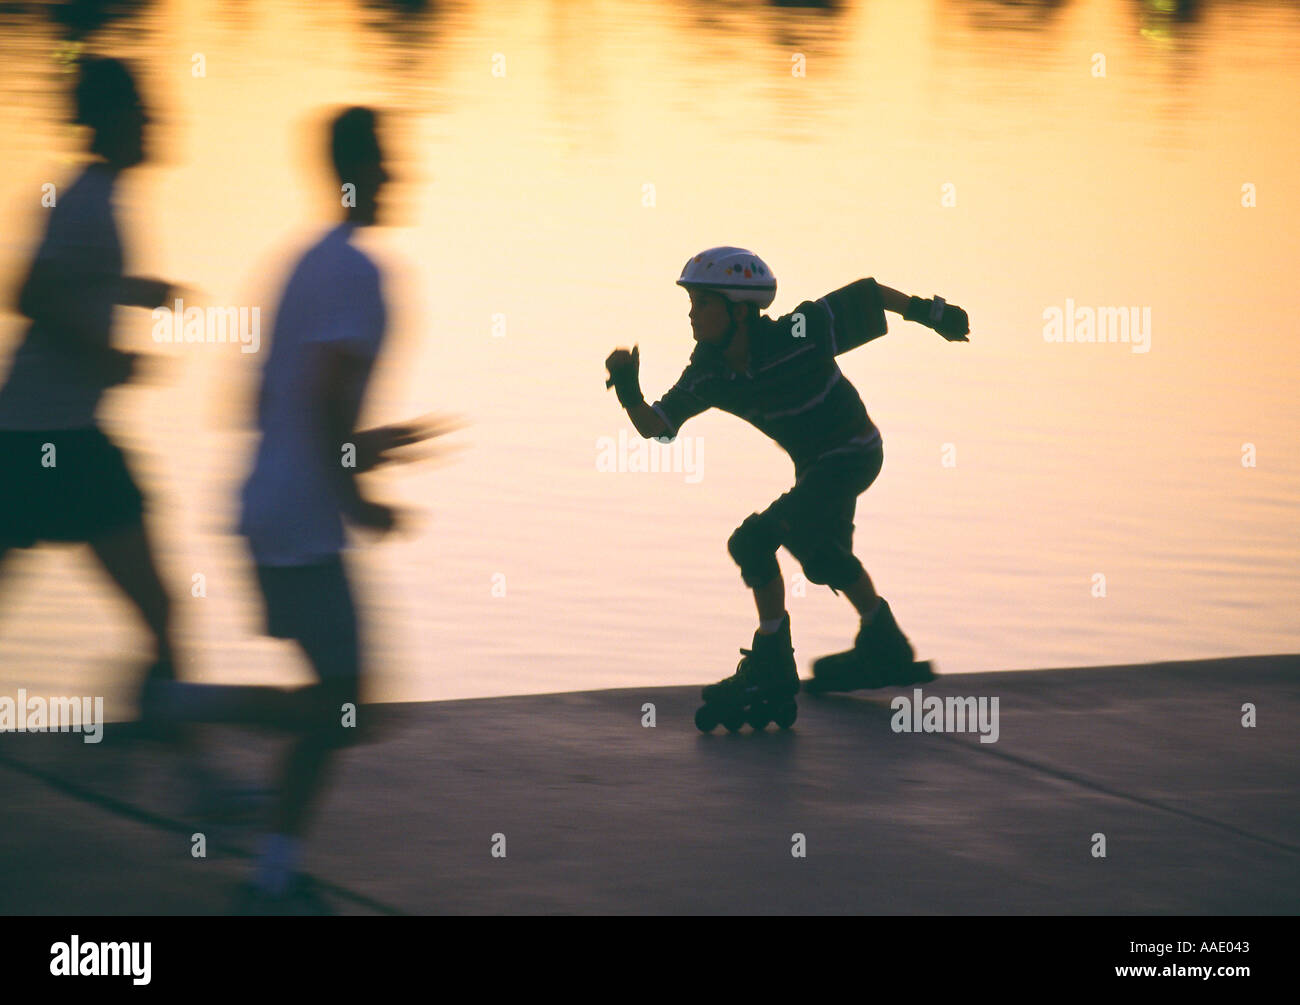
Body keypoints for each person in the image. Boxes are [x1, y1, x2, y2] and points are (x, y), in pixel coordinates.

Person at [604, 247, 969, 729]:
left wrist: (929, 312)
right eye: (690, 304)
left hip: (855, 451)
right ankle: (884, 642)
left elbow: (870, 296)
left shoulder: (799, 332)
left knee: (753, 539)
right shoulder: (710, 371)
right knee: (821, 558)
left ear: (738, 310)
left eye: (702, 304)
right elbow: (661, 426)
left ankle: (771, 663)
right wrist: (630, 393)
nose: (691, 315)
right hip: (815, 467)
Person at [0, 57, 185, 707]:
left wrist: (137, 292)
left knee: (161, 608)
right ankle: (181, 750)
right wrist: (106, 357)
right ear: (110, 121)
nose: (154, 120)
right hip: (61, 442)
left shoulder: (88, 196)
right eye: (142, 110)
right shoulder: (89, 204)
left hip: (23, 436)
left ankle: (152, 723)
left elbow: (65, 285)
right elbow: (28, 293)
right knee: (164, 609)